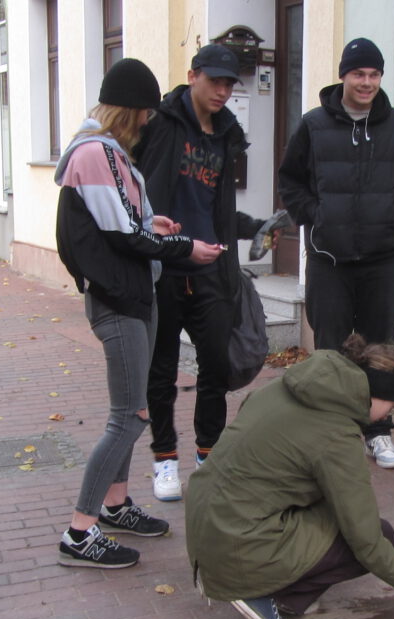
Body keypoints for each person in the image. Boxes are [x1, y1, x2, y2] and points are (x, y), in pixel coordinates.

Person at [53, 58, 223, 568]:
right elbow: (123, 235)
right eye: (145, 114)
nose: (149, 123)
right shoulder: (94, 153)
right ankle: (79, 533)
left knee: (134, 412)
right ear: (127, 112)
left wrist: (160, 227)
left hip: (134, 294)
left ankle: (116, 505)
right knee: (128, 417)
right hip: (119, 299)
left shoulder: (111, 155)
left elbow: (131, 223)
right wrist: (185, 247)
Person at [185, 335, 394, 619]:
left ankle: (280, 589)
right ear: (375, 392)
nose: (389, 416)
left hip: (203, 522)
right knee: (380, 535)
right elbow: (367, 542)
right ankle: (258, 594)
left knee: (334, 512)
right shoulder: (337, 436)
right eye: (392, 406)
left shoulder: (283, 386)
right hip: (238, 539)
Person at [277, 37, 394, 471]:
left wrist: (390, 220)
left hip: (383, 261)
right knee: (331, 350)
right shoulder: (313, 125)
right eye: (358, 73)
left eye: (374, 74)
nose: (366, 82)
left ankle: (378, 433)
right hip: (329, 260)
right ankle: (331, 435)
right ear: (343, 75)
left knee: (382, 348)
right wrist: (317, 217)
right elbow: (291, 183)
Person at [134, 43, 265, 502]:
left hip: (210, 268)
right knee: (161, 371)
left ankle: (208, 456)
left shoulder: (225, 134)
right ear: (192, 76)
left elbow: (218, 205)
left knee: (215, 368)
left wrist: (244, 232)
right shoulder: (162, 124)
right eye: (215, 81)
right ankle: (164, 459)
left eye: (230, 83)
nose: (223, 91)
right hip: (165, 265)